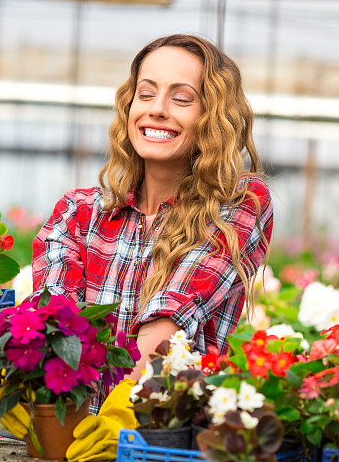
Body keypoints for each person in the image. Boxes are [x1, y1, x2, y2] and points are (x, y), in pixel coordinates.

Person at [28, 34, 273, 459]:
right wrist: (27, 383)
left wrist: (122, 409)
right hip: (70, 436)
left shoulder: (239, 207)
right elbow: (51, 322)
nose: (156, 108)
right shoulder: (78, 212)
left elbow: (168, 320)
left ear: (211, 118)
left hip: (170, 443)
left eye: (182, 98)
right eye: (146, 93)